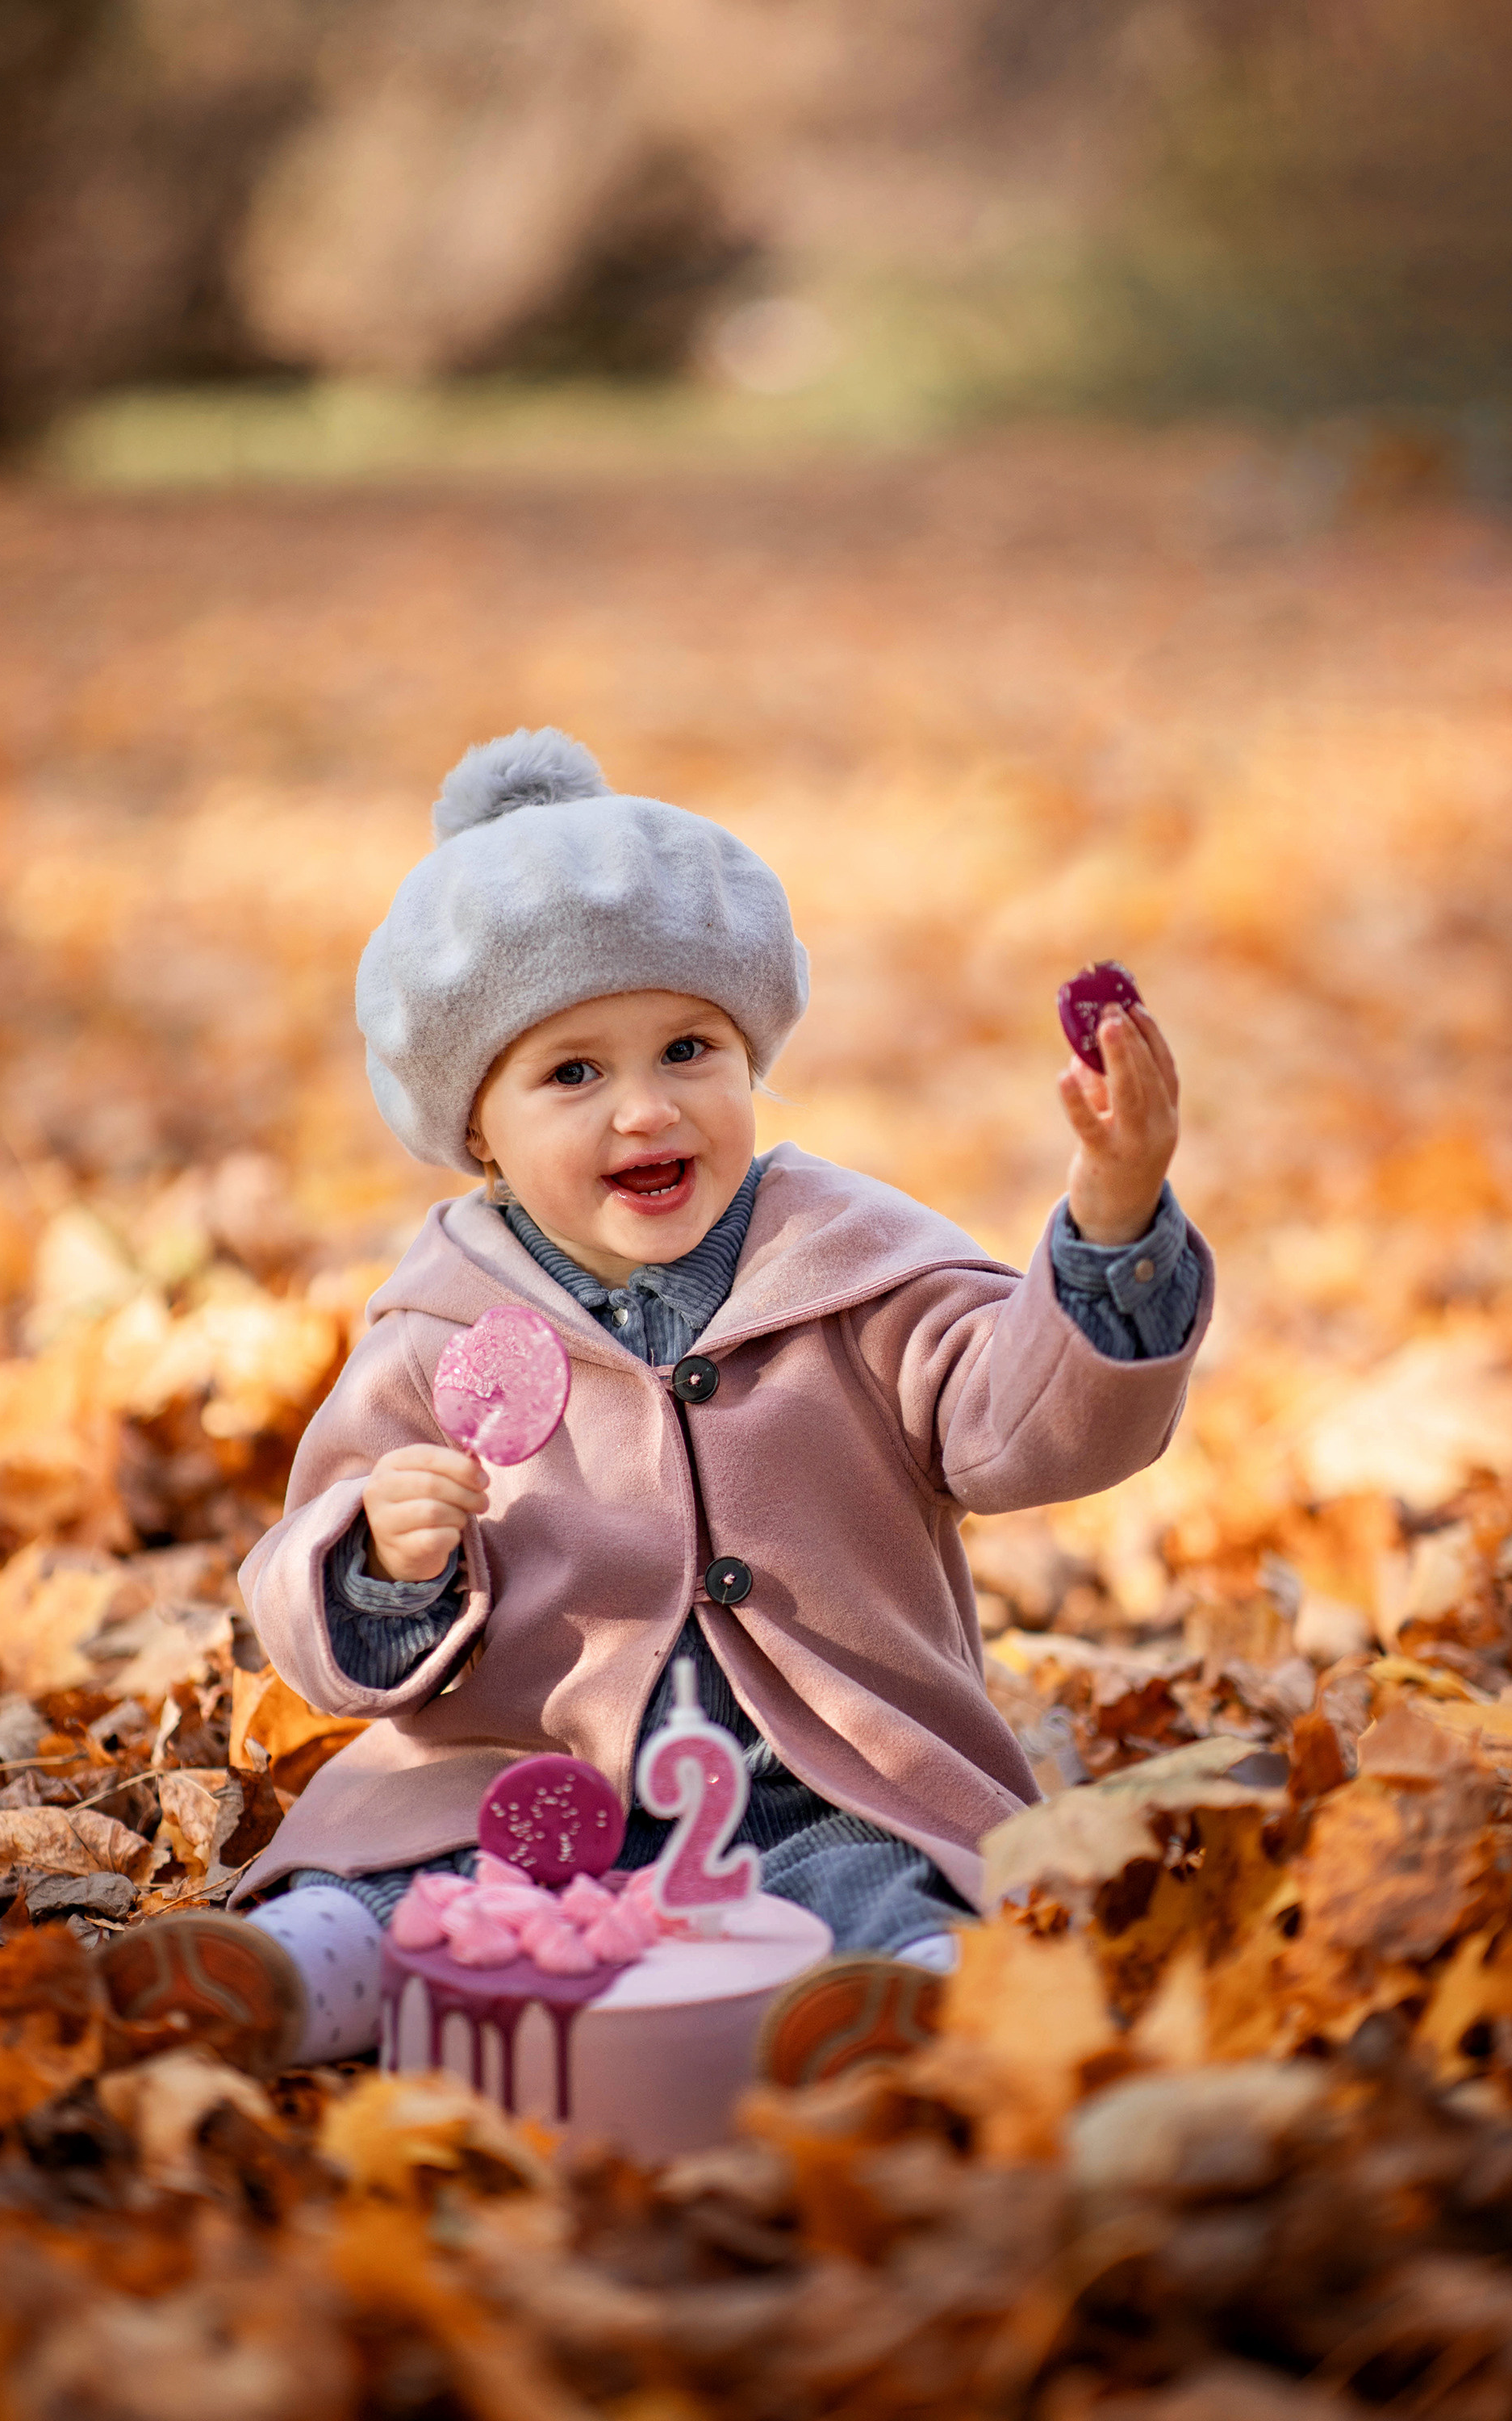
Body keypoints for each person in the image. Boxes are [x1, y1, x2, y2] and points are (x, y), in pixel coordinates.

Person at [101, 729, 1211, 2080]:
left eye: (688, 1049)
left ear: (747, 1055)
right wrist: (386, 1561)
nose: (646, 1110)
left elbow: (1021, 1426)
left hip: (827, 1774)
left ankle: (895, 2020)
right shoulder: (438, 1323)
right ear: (481, 1133)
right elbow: (301, 1591)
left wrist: (1112, 1221)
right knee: (424, 1893)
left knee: (886, 1890)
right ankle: (282, 1983)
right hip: (527, 1775)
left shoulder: (854, 1264)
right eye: (573, 1074)